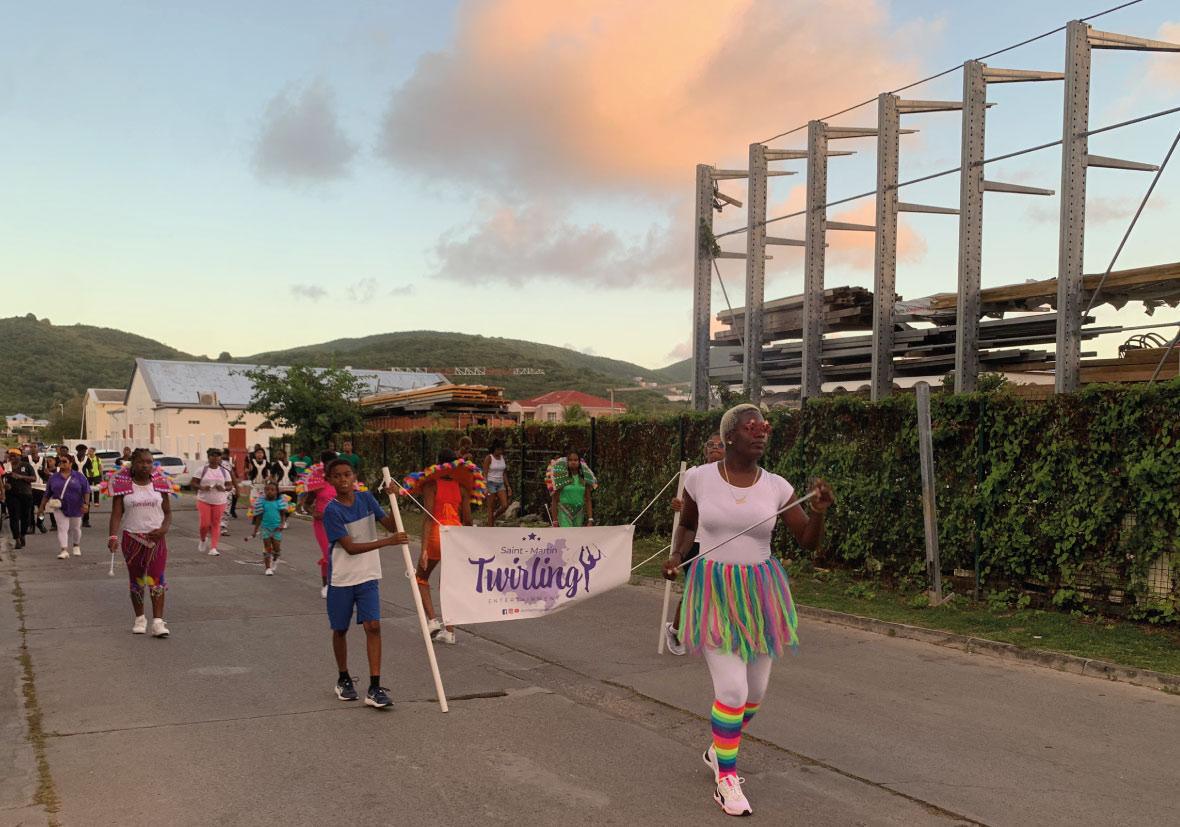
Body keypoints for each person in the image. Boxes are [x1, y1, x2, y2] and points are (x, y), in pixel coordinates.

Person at [661, 404, 833, 817]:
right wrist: (676, 555)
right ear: (730, 436)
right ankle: (726, 780)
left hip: (760, 591)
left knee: (754, 693)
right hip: (714, 589)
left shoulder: (777, 486)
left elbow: (807, 540)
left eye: (765, 428)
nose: (761, 433)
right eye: (751, 427)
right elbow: (689, 524)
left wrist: (821, 514)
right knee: (733, 690)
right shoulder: (699, 478)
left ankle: (718, 749)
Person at [321, 458, 407, 709]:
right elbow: (349, 548)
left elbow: (391, 524)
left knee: (373, 626)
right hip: (342, 579)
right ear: (330, 481)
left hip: (368, 575)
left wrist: (395, 500)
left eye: (347, 474)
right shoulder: (332, 511)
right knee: (340, 629)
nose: (343, 479)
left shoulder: (367, 499)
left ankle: (374, 686)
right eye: (337, 476)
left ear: (355, 476)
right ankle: (343, 677)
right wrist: (387, 542)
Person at [664, 432, 726, 656]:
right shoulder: (693, 474)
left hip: (720, 542)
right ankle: (676, 630)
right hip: (695, 541)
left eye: (720, 445)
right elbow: (681, 503)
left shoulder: (734, 477)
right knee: (695, 590)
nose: (714, 448)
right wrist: (677, 504)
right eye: (710, 444)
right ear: (705, 450)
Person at [107, 448, 174, 637]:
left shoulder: (160, 484)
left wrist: (164, 529)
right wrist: (113, 536)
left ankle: (158, 623)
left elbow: (168, 513)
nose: (145, 466)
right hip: (132, 539)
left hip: (156, 540)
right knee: (137, 581)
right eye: (141, 462)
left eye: (149, 462)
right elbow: (117, 514)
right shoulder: (123, 485)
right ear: (132, 464)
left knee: (156, 579)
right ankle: (140, 618)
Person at [415, 449, 473, 645]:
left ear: (438, 465)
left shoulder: (431, 485)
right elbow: (468, 519)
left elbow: (428, 518)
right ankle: (450, 632)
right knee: (448, 584)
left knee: (420, 578)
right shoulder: (462, 488)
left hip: (436, 536)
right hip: (454, 537)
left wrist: (423, 548)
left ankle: (432, 621)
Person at [302, 450, 339, 598]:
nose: (331, 466)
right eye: (328, 463)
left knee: (338, 555)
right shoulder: (317, 483)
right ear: (323, 464)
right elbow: (306, 504)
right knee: (328, 554)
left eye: (334, 463)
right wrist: (313, 512)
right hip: (321, 524)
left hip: (338, 523)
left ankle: (337, 584)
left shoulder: (341, 481)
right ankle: (326, 585)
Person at [39, 454, 89, 559]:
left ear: (71, 463)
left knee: (75, 528)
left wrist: (86, 504)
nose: (61, 463)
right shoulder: (54, 477)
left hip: (76, 506)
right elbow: (47, 493)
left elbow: (86, 490)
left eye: (64, 461)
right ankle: (64, 550)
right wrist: (42, 506)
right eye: (60, 461)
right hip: (60, 506)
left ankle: (76, 545)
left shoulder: (79, 476)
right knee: (62, 528)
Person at [192, 448, 232, 556]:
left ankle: (213, 548)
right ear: (208, 457)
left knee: (216, 524)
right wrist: (201, 487)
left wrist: (223, 487)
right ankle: (203, 539)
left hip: (219, 501)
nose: (215, 458)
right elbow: (193, 483)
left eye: (218, 456)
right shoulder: (202, 470)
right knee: (204, 524)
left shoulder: (224, 471)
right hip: (204, 500)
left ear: (220, 458)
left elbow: (229, 486)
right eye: (213, 456)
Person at [248, 482, 291, 576]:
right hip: (265, 528)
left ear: (277, 491)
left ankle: (275, 559)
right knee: (267, 548)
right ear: (264, 491)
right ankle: (268, 568)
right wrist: (255, 530)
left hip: (277, 529)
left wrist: (282, 524)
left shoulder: (279, 502)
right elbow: (258, 517)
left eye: (272, 490)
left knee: (276, 548)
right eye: (267, 490)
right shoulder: (261, 503)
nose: (269, 492)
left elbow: (283, 515)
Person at [549, 449, 595, 527]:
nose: (573, 462)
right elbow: (554, 500)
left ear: (579, 462)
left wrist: (590, 519)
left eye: (575, 460)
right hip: (564, 512)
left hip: (579, 513)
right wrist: (555, 520)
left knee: (576, 537)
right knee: (566, 536)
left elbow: (588, 499)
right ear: (566, 462)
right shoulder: (560, 478)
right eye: (570, 460)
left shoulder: (584, 479)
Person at [4, 448, 36, 548]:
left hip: (25, 494)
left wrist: (21, 477)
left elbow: (34, 478)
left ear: (20, 456)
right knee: (14, 517)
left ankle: (22, 535)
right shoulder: (6, 466)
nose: (12, 457)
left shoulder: (26, 466)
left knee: (25, 517)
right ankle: (17, 539)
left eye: (15, 455)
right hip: (11, 495)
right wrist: (5, 485)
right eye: (11, 455)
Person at [481, 439, 513, 527]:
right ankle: (490, 527)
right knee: (491, 507)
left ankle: (494, 517)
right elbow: (485, 472)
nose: (500, 451)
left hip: (500, 483)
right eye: (498, 449)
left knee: (505, 505)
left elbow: (504, 473)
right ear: (494, 449)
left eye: (501, 449)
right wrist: (485, 486)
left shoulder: (502, 458)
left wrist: (508, 486)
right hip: (490, 483)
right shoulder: (489, 458)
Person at [29, 446, 51, 534]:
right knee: (29, 508)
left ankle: (40, 523)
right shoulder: (26, 459)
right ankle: (31, 525)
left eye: (35, 447)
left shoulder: (44, 460)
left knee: (41, 508)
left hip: (41, 487)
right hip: (29, 487)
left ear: (38, 449)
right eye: (32, 446)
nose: (33, 448)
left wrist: (47, 474)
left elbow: (47, 474)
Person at [84, 446, 104, 512]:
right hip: (88, 476)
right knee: (88, 488)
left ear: (93, 452)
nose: (88, 452)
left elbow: (100, 468)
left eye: (90, 451)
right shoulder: (86, 459)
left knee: (96, 489)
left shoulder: (98, 459)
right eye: (88, 451)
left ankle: (96, 501)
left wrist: (101, 476)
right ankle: (89, 500)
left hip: (96, 476)